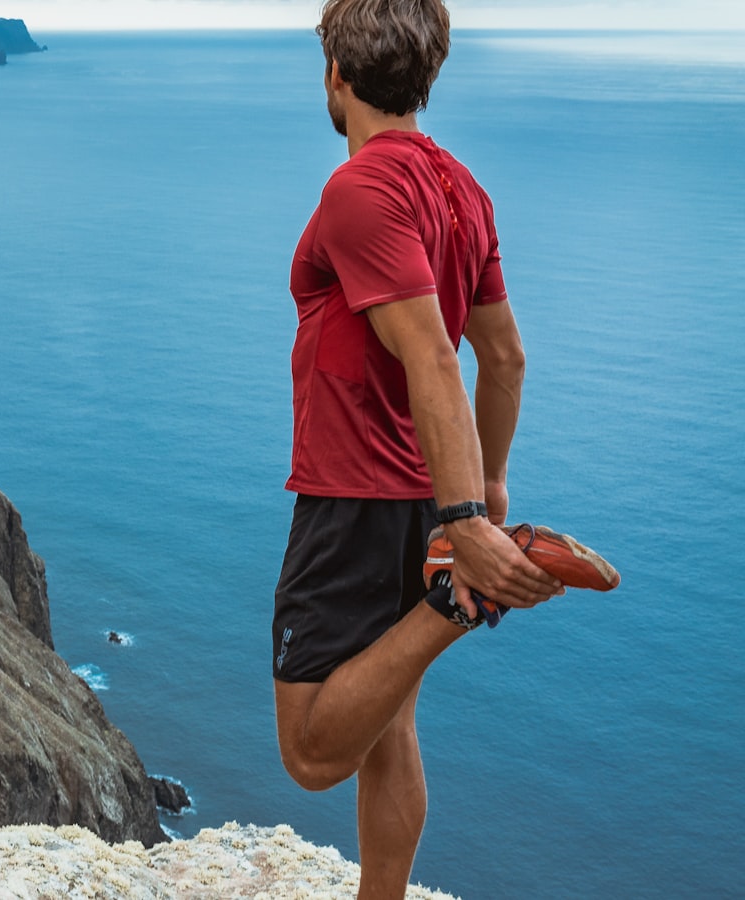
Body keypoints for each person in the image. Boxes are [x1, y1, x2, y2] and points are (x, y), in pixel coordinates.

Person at [269, 1, 606, 897]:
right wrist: (488, 494)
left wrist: (466, 527)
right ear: (428, 76)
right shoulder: (463, 191)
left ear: (337, 76)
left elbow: (430, 357)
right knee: (393, 726)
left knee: (311, 749)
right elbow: (504, 356)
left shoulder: (358, 190)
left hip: (356, 495)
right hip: (424, 496)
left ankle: (453, 601)